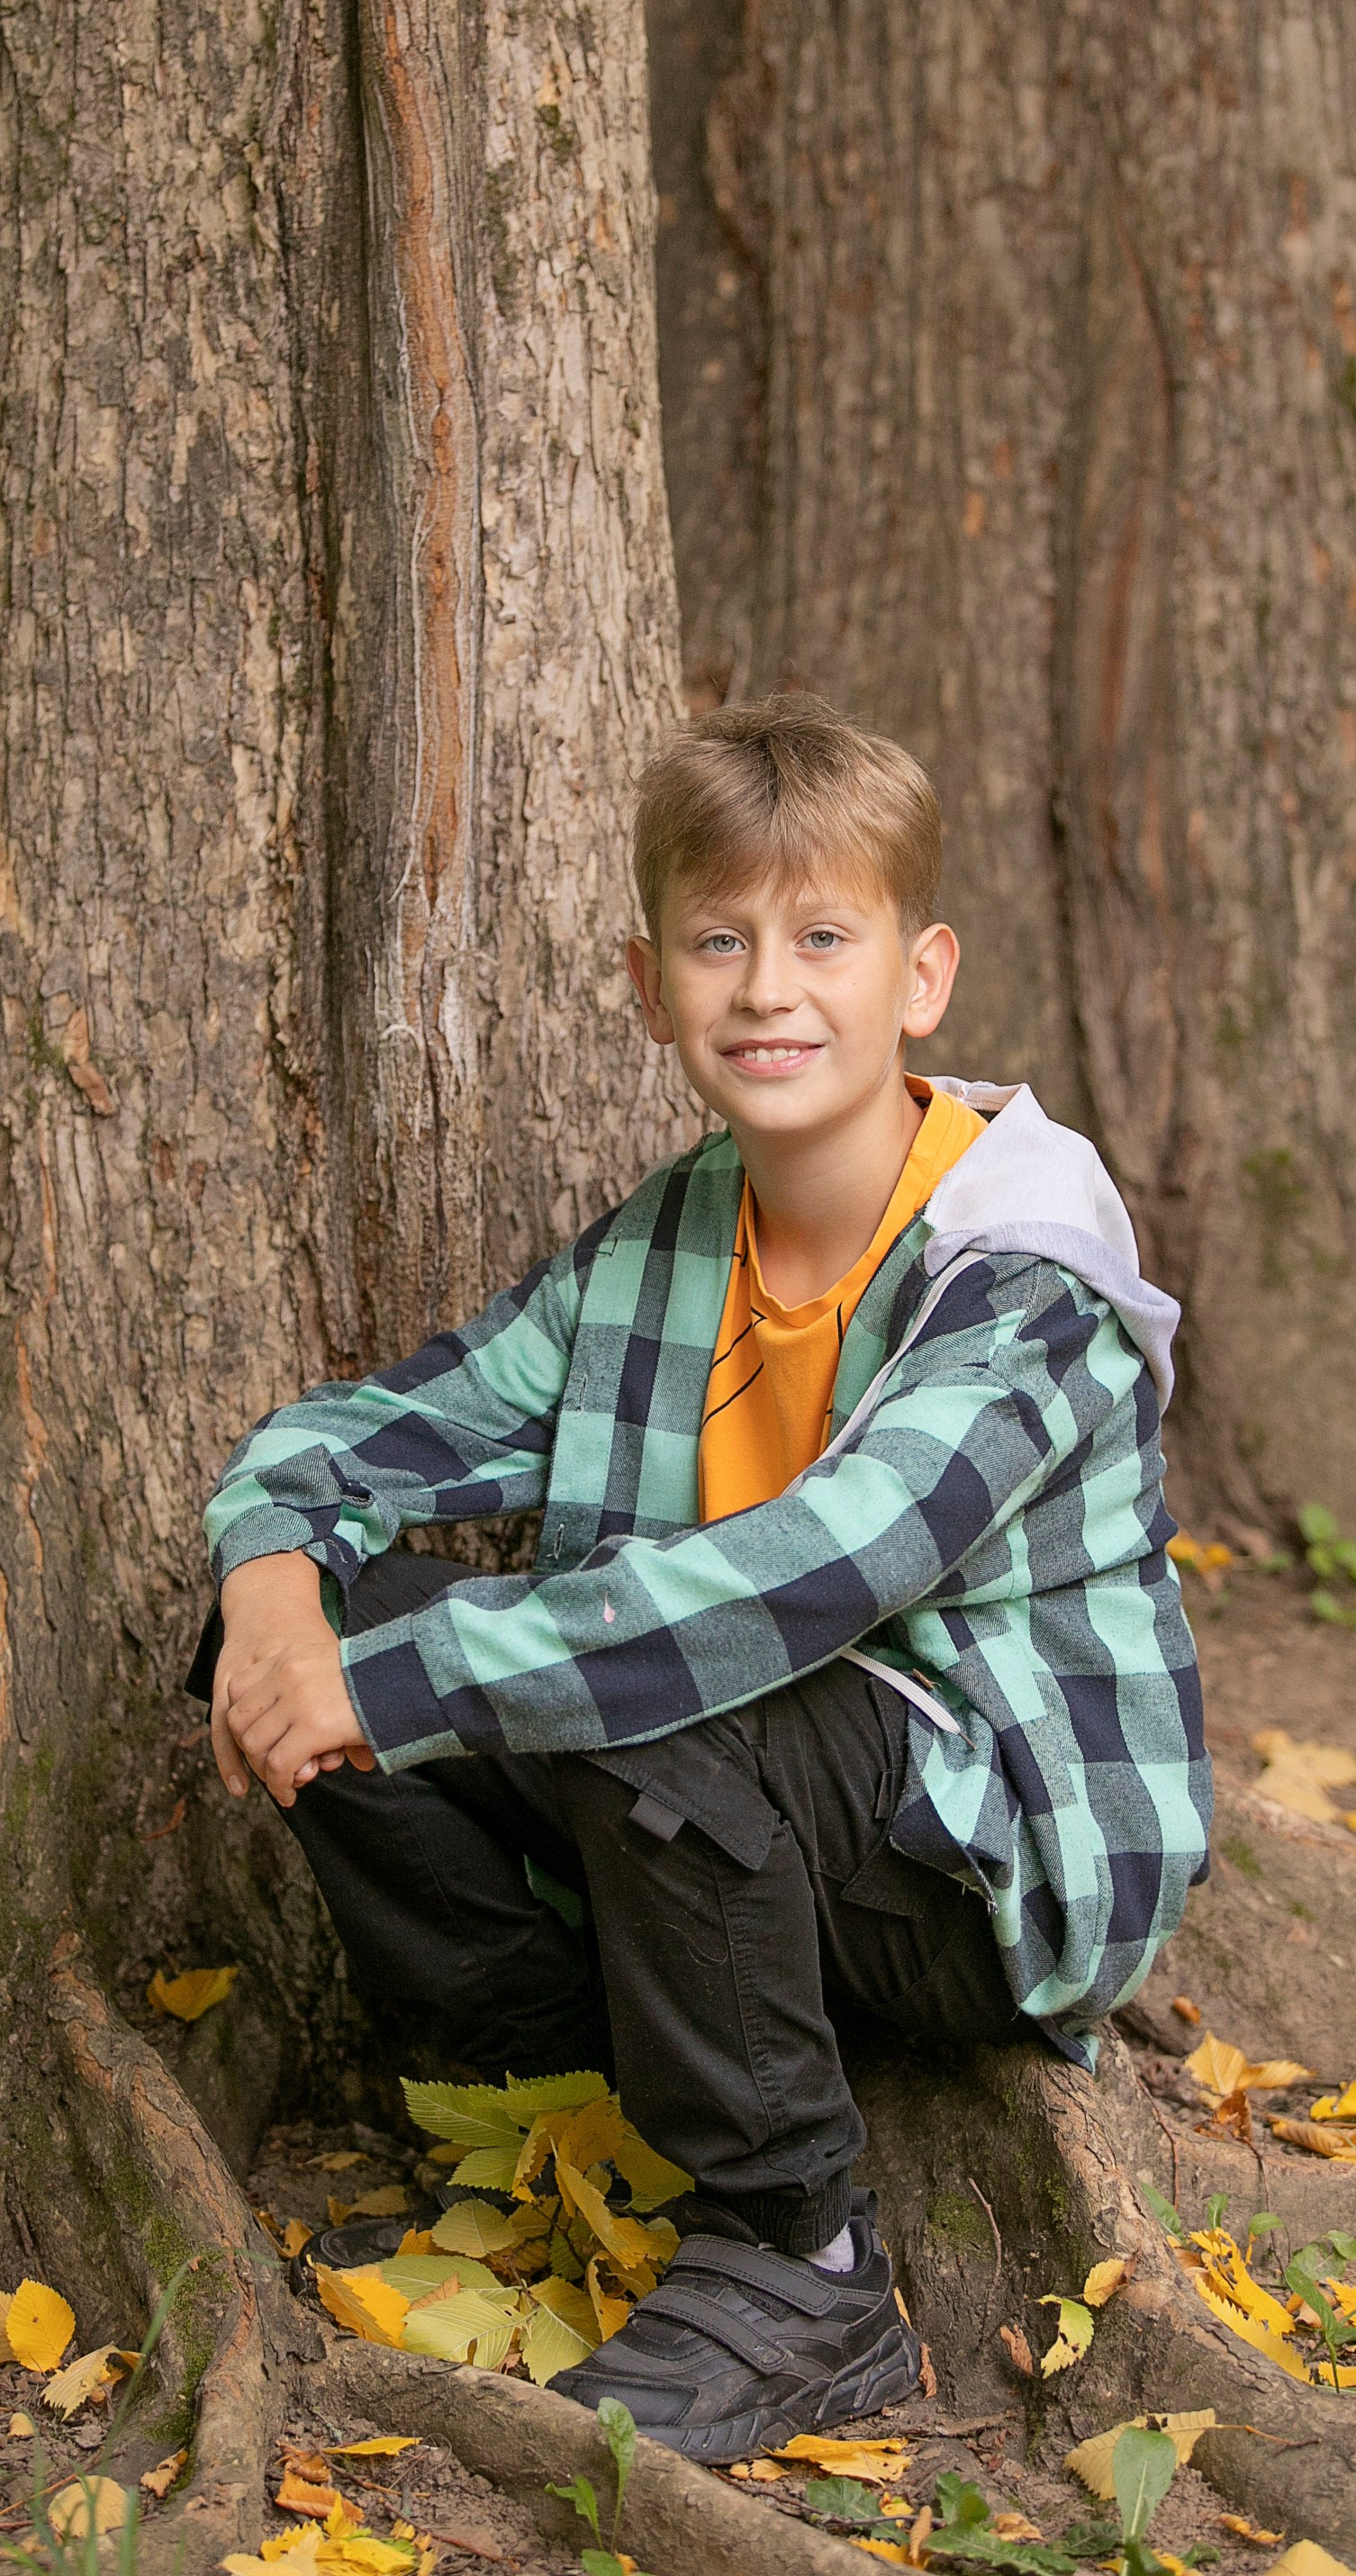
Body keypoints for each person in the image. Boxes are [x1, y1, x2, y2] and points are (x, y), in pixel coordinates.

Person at [194, 693, 1210, 2462]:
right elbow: (351, 1441)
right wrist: (279, 1591)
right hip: (745, 1812)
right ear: (648, 977)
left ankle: (793, 2262)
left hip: (985, 1851)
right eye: (718, 941)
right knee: (306, 1632)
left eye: (823, 936)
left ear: (920, 975)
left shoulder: (1022, 1267)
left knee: (643, 1677)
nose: (767, 988)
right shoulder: (666, 1245)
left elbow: (808, 1581)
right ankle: (552, 2093)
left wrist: (399, 1685)